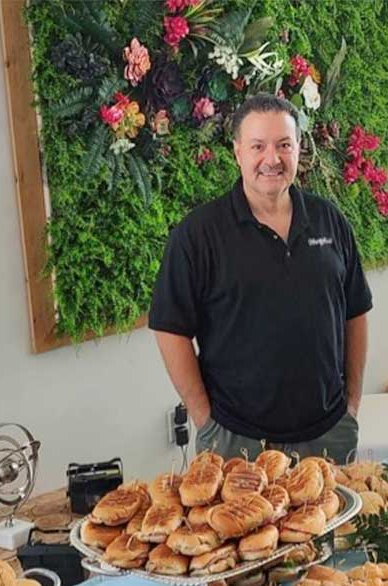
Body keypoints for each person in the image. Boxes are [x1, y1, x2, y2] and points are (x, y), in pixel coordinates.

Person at [149, 94, 371, 464]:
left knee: (332, 526)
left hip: (329, 435)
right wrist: (206, 421)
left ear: (299, 149)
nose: (272, 159)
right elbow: (170, 328)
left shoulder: (329, 220)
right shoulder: (199, 234)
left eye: (284, 145)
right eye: (258, 146)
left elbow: (356, 312)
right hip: (237, 444)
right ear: (238, 152)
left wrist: (352, 404)